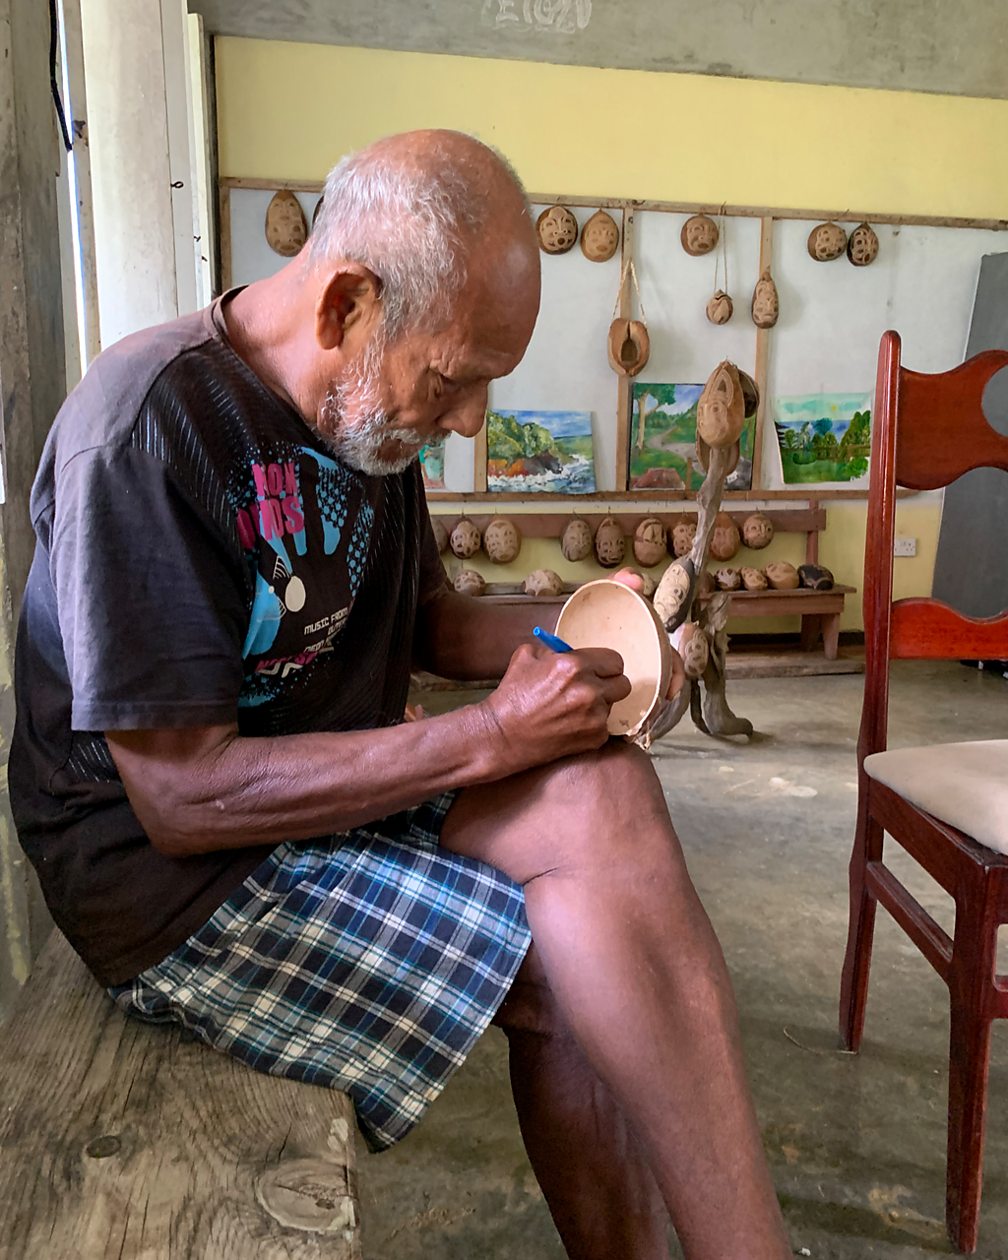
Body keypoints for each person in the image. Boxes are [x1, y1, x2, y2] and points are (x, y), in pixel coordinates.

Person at [9, 130, 790, 1259]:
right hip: (171, 877)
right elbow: (183, 797)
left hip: (328, 789)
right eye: (456, 378)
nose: (470, 419)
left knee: (605, 792)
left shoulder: (367, 411)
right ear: (345, 305)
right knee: (574, 973)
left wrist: (591, 624)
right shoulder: (146, 434)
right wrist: (486, 738)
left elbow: (423, 620)